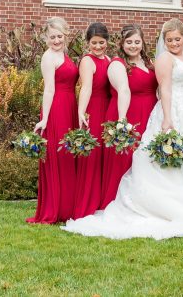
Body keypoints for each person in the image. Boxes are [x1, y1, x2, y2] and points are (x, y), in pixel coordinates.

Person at [64, 19, 183, 239]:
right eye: (169, 40)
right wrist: (167, 117)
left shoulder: (179, 58)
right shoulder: (155, 60)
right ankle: (172, 204)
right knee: (171, 158)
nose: (173, 43)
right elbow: (162, 89)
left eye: (177, 39)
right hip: (172, 111)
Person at [98, 24, 158, 209]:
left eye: (137, 41)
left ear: (143, 42)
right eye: (129, 42)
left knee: (146, 158)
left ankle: (146, 203)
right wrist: (122, 121)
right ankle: (120, 204)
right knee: (126, 159)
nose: (133, 45)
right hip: (127, 113)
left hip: (149, 114)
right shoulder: (118, 63)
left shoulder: (148, 62)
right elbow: (123, 90)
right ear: (122, 43)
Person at [26, 17, 79, 224]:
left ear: (65, 35)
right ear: (46, 39)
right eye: (52, 37)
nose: (56, 40)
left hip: (70, 107)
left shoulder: (63, 54)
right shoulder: (48, 57)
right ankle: (56, 207)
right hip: (56, 108)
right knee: (59, 155)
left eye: (59, 36)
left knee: (68, 155)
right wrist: (45, 118)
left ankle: (68, 206)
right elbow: (49, 88)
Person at [73, 22, 112, 219]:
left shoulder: (109, 59)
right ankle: (86, 205)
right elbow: (86, 87)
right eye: (94, 43)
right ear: (88, 43)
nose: (97, 47)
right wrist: (81, 112)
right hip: (94, 110)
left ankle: (103, 202)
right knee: (92, 157)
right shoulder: (87, 61)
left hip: (108, 110)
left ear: (107, 42)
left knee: (106, 157)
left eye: (101, 42)